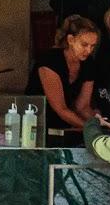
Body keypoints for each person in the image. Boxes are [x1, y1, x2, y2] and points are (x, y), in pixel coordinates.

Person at [28, 14, 99, 143]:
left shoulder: (88, 62)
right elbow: (60, 109)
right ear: (71, 40)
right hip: (35, 126)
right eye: (84, 44)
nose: (88, 50)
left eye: (93, 46)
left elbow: (82, 106)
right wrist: (92, 129)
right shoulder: (50, 61)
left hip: (66, 128)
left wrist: (103, 123)